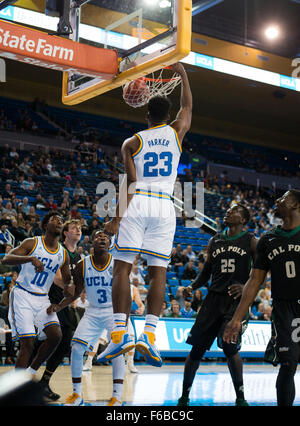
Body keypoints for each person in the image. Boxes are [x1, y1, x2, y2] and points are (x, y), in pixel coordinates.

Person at [98, 62, 192, 367]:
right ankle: (150, 337)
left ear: (145, 114)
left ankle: (119, 337)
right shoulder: (177, 132)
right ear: (168, 115)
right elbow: (188, 107)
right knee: (158, 273)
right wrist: (183, 75)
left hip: (139, 202)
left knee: (122, 269)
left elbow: (131, 182)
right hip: (166, 205)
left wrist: (115, 219)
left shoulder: (132, 142)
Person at [223, 190, 300, 406]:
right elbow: (254, 281)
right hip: (284, 309)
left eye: (283, 199)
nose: (277, 201)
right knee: (287, 365)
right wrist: (237, 318)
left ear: (295, 204)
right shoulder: (268, 239)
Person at [177, 204, 257, 406]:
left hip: (235, 303)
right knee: (196, 351)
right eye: (228, 210)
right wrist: (192, 285)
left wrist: (246, 287)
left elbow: (261, 273)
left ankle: (240, 397)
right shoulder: (215, 240)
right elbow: (206, 273)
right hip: (212, 301)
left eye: (235, 211)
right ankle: (184, 396)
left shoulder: (251, 241)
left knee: (230, 347)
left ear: (243, 220)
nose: (228, 212)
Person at [48, 229, 126, 406]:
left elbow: (125, 295)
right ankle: (77, 395)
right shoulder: (83, 265)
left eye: (106, 237)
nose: (102, 238)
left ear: (110, 244)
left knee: (117, 350)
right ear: (92, 241)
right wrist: (60, 305)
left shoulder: (117, 264)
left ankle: (117, 396)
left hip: (113, 311)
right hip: (92, 311)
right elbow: (76, 293)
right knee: (76, 348)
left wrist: (123, 321)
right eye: (98, 236)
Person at [0, 211, 72, 375]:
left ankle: (31, 372)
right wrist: (30, 258)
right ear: (46, 225)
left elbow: (67, 281)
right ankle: (15, 387)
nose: (59, 221)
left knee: (55, 336)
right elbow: (6, 259)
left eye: (61, 220)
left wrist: (71, 283)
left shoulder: (63, 254)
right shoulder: (32, 243)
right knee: (28, 342)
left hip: (42, 299)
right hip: (22, 295)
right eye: (55, 219)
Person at [38, 219, 83, 401]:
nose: (78, 230)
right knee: (53, 339)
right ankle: (29, 376)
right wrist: (71, 287)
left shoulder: (79, 257)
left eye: (80, 228)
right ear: (66, 233)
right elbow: (57, 278)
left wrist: (76, 293)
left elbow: (78, 284)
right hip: (48, 299)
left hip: (64, 302)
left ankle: (42, 382)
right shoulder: (59, 250)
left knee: (63, 342)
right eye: (74, 228)